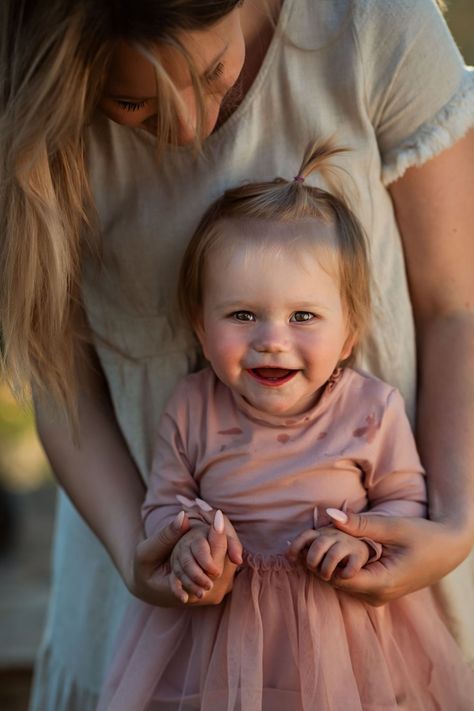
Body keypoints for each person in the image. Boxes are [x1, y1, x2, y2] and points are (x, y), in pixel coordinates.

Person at [0, 1, 472, 709]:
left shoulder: (370, 22)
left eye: (215, 71)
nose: (188, 127)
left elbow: (456, 307)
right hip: (149, 618)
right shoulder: (39, 121)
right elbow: (59, 376)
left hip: (376, 632)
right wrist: (148, 545)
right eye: (131, 101)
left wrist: (457, 520)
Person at [97, 142, 474, 710]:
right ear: (201, 328)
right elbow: (162, 504)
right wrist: (187, 546)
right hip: (216, 641)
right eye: (242, 315)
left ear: (349, 334)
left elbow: (404, 501)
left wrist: (362, 546)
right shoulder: (192, 407)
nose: (272, 338)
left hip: (344, 639)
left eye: (304, 316)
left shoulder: (371, 409)